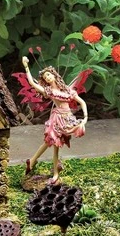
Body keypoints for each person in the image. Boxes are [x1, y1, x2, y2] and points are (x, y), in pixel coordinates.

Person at [22, 56, 88, 184]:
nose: (47, 78)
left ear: (54, 74)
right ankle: (52, 171)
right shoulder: (50, 91)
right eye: (45, 77)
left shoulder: (68, 90)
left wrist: (85, 117)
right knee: (52, 143)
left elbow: (82, 102)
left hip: (68, 119)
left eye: (48, 75)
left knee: (55, 144)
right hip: (57, 118)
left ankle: (34, 161)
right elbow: (32, 83)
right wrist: (26, 67)